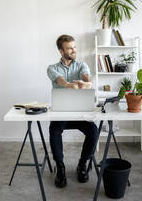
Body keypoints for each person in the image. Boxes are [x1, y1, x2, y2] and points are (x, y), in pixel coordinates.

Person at [47, 34, 98, 188]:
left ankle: (82, 165)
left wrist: (86, 83)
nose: (74, 50)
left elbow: (86, 76)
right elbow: (59, 80)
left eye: (74, 47)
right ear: (61, 51)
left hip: (80, 114)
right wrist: (69, 85)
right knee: (54, 131)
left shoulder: (82, 65)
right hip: (61, 113)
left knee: (93, 131)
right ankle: (60, 168)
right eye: (70, 48)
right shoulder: (52, 68)